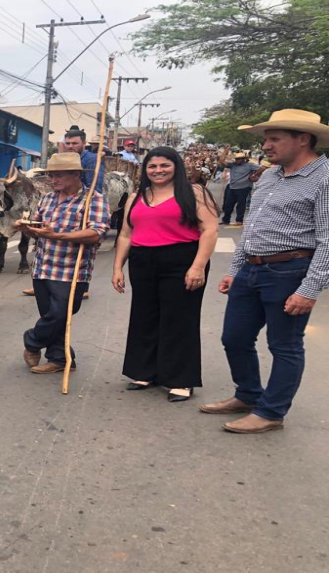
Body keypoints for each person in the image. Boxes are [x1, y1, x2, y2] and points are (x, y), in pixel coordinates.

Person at [199, 109, 329, 433]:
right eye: (266, 139)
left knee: (284, 345)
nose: (266, 146)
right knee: (234, 337)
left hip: (291, 271)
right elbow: (253, 225)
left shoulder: (324, 178)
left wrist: (309, 290)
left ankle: (271, 412)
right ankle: (248, 395)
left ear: (302, 139)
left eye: (274, 139)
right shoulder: (270, 175)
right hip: (251, 269)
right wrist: (236, 268)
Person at [112, 147, 219, 401]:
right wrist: (117, 267)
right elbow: (126, 234)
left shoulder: (194, 193)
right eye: (153, 166)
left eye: (164, 166)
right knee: (144, 316)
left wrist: (198, 266)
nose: (158, 171)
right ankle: (144, 371)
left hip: (182, 260)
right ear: (145, 170)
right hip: (143, 261)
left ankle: (180, 379)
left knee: (179, 319)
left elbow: (210, 230)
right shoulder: (137, 196)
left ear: (176, 167)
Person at [19, 152, 110, 374]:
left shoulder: (93, 200)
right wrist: (28, 229)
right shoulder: (47, 199)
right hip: (42, 266)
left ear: (76, 174)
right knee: (51, 316)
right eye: (51, 175)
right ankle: (59, 358)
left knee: (61, 313)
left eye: (58, 175)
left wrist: (56, 235)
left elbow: (96, 234)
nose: (53, 180)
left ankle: (32, 341)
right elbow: (40, 231)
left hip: (72, 270)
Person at [220, 151, 262, 226]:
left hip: (244, 187)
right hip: (232, 187)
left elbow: (262, 168)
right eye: (236, 159)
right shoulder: (232, 165)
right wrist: (225, 152)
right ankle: (226, 220)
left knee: (241, 204)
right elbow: (222, 161)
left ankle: (239, 220)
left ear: (243, 159)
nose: (237, 160)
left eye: (239, 159)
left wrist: (254, 175)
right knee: (228, 204)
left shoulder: (249, 165)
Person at [63, 126, 105, 194]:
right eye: (67, 143)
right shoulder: (63, 160)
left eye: (74, 143)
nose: (70, 146)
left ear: (84, 143)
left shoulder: (92, 159)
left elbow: (95, 189)